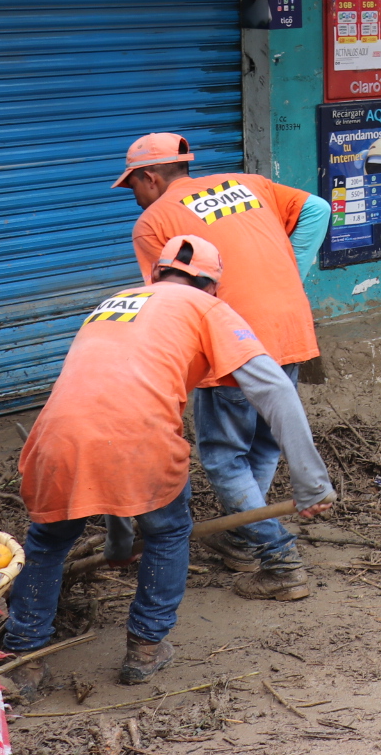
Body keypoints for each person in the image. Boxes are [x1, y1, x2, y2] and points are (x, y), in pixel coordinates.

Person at [2, 235, 335, 700]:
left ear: (155, 274)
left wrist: (120, 541)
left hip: (57, 435)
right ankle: (144, 649)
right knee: (167, 531)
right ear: (212, 286)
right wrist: (312, 483)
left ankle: (22, 662)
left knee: (47, 543)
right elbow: (274, 390)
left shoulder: (114, 302)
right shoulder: (206, 307)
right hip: (139, 438)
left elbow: (105, 419)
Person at [119, 133, 332, 600]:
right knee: (264, 441)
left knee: (223, 455)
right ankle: (242, 536)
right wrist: (292, 271)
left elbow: (169, 298)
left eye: (131, 186)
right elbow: (318, 208)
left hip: (230, 338)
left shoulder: (154, 222)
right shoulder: (250, 183)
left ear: (150, 177)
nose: (133, 198)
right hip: (288, 326)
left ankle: (280, 560)